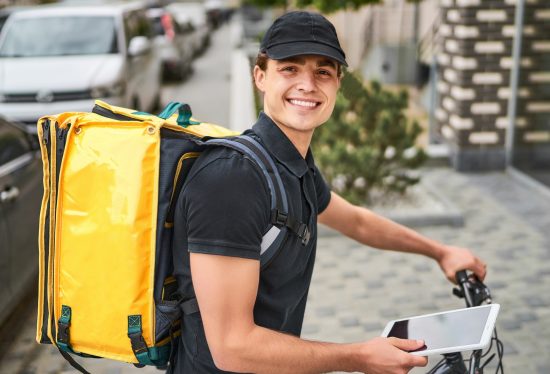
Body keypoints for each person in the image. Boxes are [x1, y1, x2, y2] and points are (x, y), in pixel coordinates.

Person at [171, 11, 487, 374]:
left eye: (323, 71)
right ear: (260, 76)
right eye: (290, 68)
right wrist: (358, 356)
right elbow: (232, 347)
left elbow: (356, 221)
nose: (308, 84)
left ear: (337, 83)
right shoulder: (233, 179)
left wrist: (440, 251)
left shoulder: (290, 163)